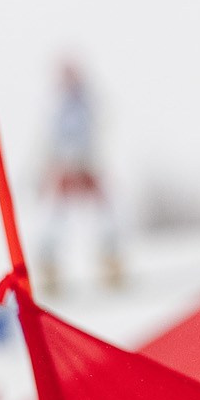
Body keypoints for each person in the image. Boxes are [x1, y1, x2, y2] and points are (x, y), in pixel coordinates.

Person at [38, 59, 123, 293]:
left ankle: (111, 260)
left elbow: (96, 132)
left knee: (104, 214)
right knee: (56, 217)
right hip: (67, 167)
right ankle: (49, 266)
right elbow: (50, 140)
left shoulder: (87, 104)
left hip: (86, 166)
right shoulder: (59, 108)